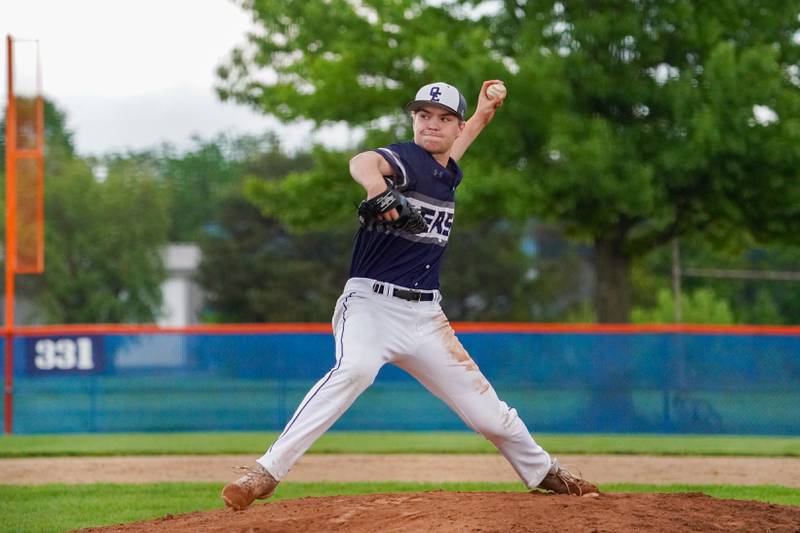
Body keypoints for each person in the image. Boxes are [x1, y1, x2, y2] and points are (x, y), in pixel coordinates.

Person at [221, 80, 599, 510]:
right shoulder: (404, 160)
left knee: (488, 413)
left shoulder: (446, 169)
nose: (431, 125)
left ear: (455, 128)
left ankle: (546, 472)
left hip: (426, 319)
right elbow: (363, 161)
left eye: (443, 119)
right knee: (355, 370)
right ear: (413, 121)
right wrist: (377, 190)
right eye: (423, 116)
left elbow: (468, 133)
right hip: (370, 306)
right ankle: (265, 473)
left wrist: (484, 109)